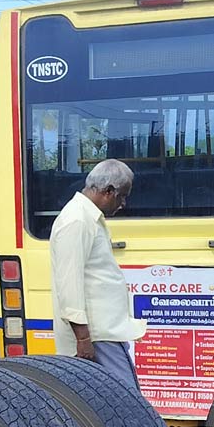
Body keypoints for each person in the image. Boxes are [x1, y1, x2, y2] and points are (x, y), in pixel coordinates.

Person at [50, 159, 145, 386]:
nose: (123, 204)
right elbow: (69, 285)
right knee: (127, 401)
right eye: (122, 196)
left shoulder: (88, 217)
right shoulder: (76, 220)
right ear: (108, 191)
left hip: (103, 332)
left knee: (110, 402)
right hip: (95, 335)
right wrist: (83, 339)